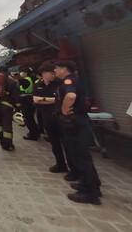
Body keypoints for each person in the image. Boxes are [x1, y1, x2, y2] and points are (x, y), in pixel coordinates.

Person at [54, 60, 102, 204]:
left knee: (80, 157)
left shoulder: (69, 81)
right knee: (83, 156)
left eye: (56, 68)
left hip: (74, 124)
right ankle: (93, 185)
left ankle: (88, 193)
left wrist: (63, 110)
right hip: (77, 123)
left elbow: (71, 96)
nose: (55, 70)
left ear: (64, 69)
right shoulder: (72, 80)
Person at [33, 63, 72, 173]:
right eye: (51, 73)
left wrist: (44, 99)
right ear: (44, 73)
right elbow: (36, 100)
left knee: (66, 142)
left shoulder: (60, 84)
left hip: (60, 116)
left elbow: (64, 99)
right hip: (47, 117)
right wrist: (53, 100)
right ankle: (60, 164)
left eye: (54, 73)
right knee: (54, 142)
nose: (53, 75)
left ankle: (72, 167)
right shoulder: (38, 85)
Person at [18, 67, 40, 141]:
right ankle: (35, 133)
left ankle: (33, 134)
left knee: (28, 118)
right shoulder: (29, 79)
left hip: (26, 100)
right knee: (30, 118)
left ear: (26, 73)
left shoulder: (26, 80)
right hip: (29, 100)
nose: (21, 74)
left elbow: (19, 83)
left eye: (22, 72)